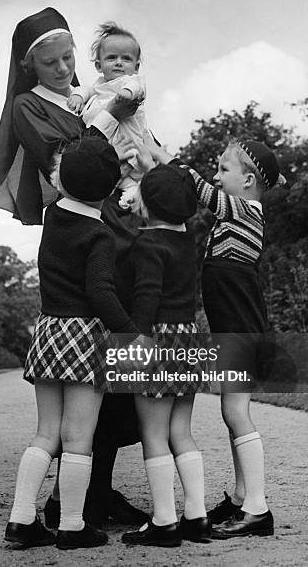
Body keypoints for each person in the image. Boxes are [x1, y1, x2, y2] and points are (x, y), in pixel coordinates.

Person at [0, 7, 147, 530]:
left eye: (68, 58)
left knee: (117, 379)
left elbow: (135, 147)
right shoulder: (26, 106)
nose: (62, 68)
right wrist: (111, 114)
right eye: (50, 62)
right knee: (93, 369)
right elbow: (67, 164)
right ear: (30, 66)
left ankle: (95, 492)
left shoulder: (86, 96)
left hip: (119, 231)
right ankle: (69, 505)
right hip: (83, 237)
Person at [5, 137, 142, 550]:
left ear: (59, 180)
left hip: (48, 332)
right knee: (79, 437)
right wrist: (131, 335)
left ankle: (21, 519)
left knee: (47, 433)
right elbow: (100, 293)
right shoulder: (99, 234)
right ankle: (72, 526)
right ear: (108, 191)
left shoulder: (52, 215)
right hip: (83, 338)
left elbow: (75, 184)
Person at [149, 138, 285, 539]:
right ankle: (244, 497)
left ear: (247, 180)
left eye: (224, 169)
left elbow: (201, 191)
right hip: (234, 328)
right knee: (233, 415)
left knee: (236, 414)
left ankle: (258, 509)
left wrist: (170, 161)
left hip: (241, 330)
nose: (216, 175)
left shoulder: (246, 209)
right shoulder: (236, 214)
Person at [120, 162, 212, 548]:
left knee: (153, 434)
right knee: (181, 432)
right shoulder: (187, 237)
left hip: (155, 341)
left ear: (148, 203)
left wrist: (133, 341)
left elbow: (146, 296)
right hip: (188, 340)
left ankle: (164, 522)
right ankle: (197, 515)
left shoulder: (147, 244)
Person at [67, 21, 147, 211]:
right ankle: (131, 191)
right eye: (111, 58)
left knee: (127, 166)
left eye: (126, 59)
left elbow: (137, 88)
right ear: (98, 65)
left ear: (136, 67)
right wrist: (78, 97)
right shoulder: (98, 86)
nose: (119, 62)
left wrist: (125, 94)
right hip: (108, 149)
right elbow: (84, 89)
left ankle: (131, 189)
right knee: (121, 179)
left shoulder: (131, 80)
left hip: (129, 143)